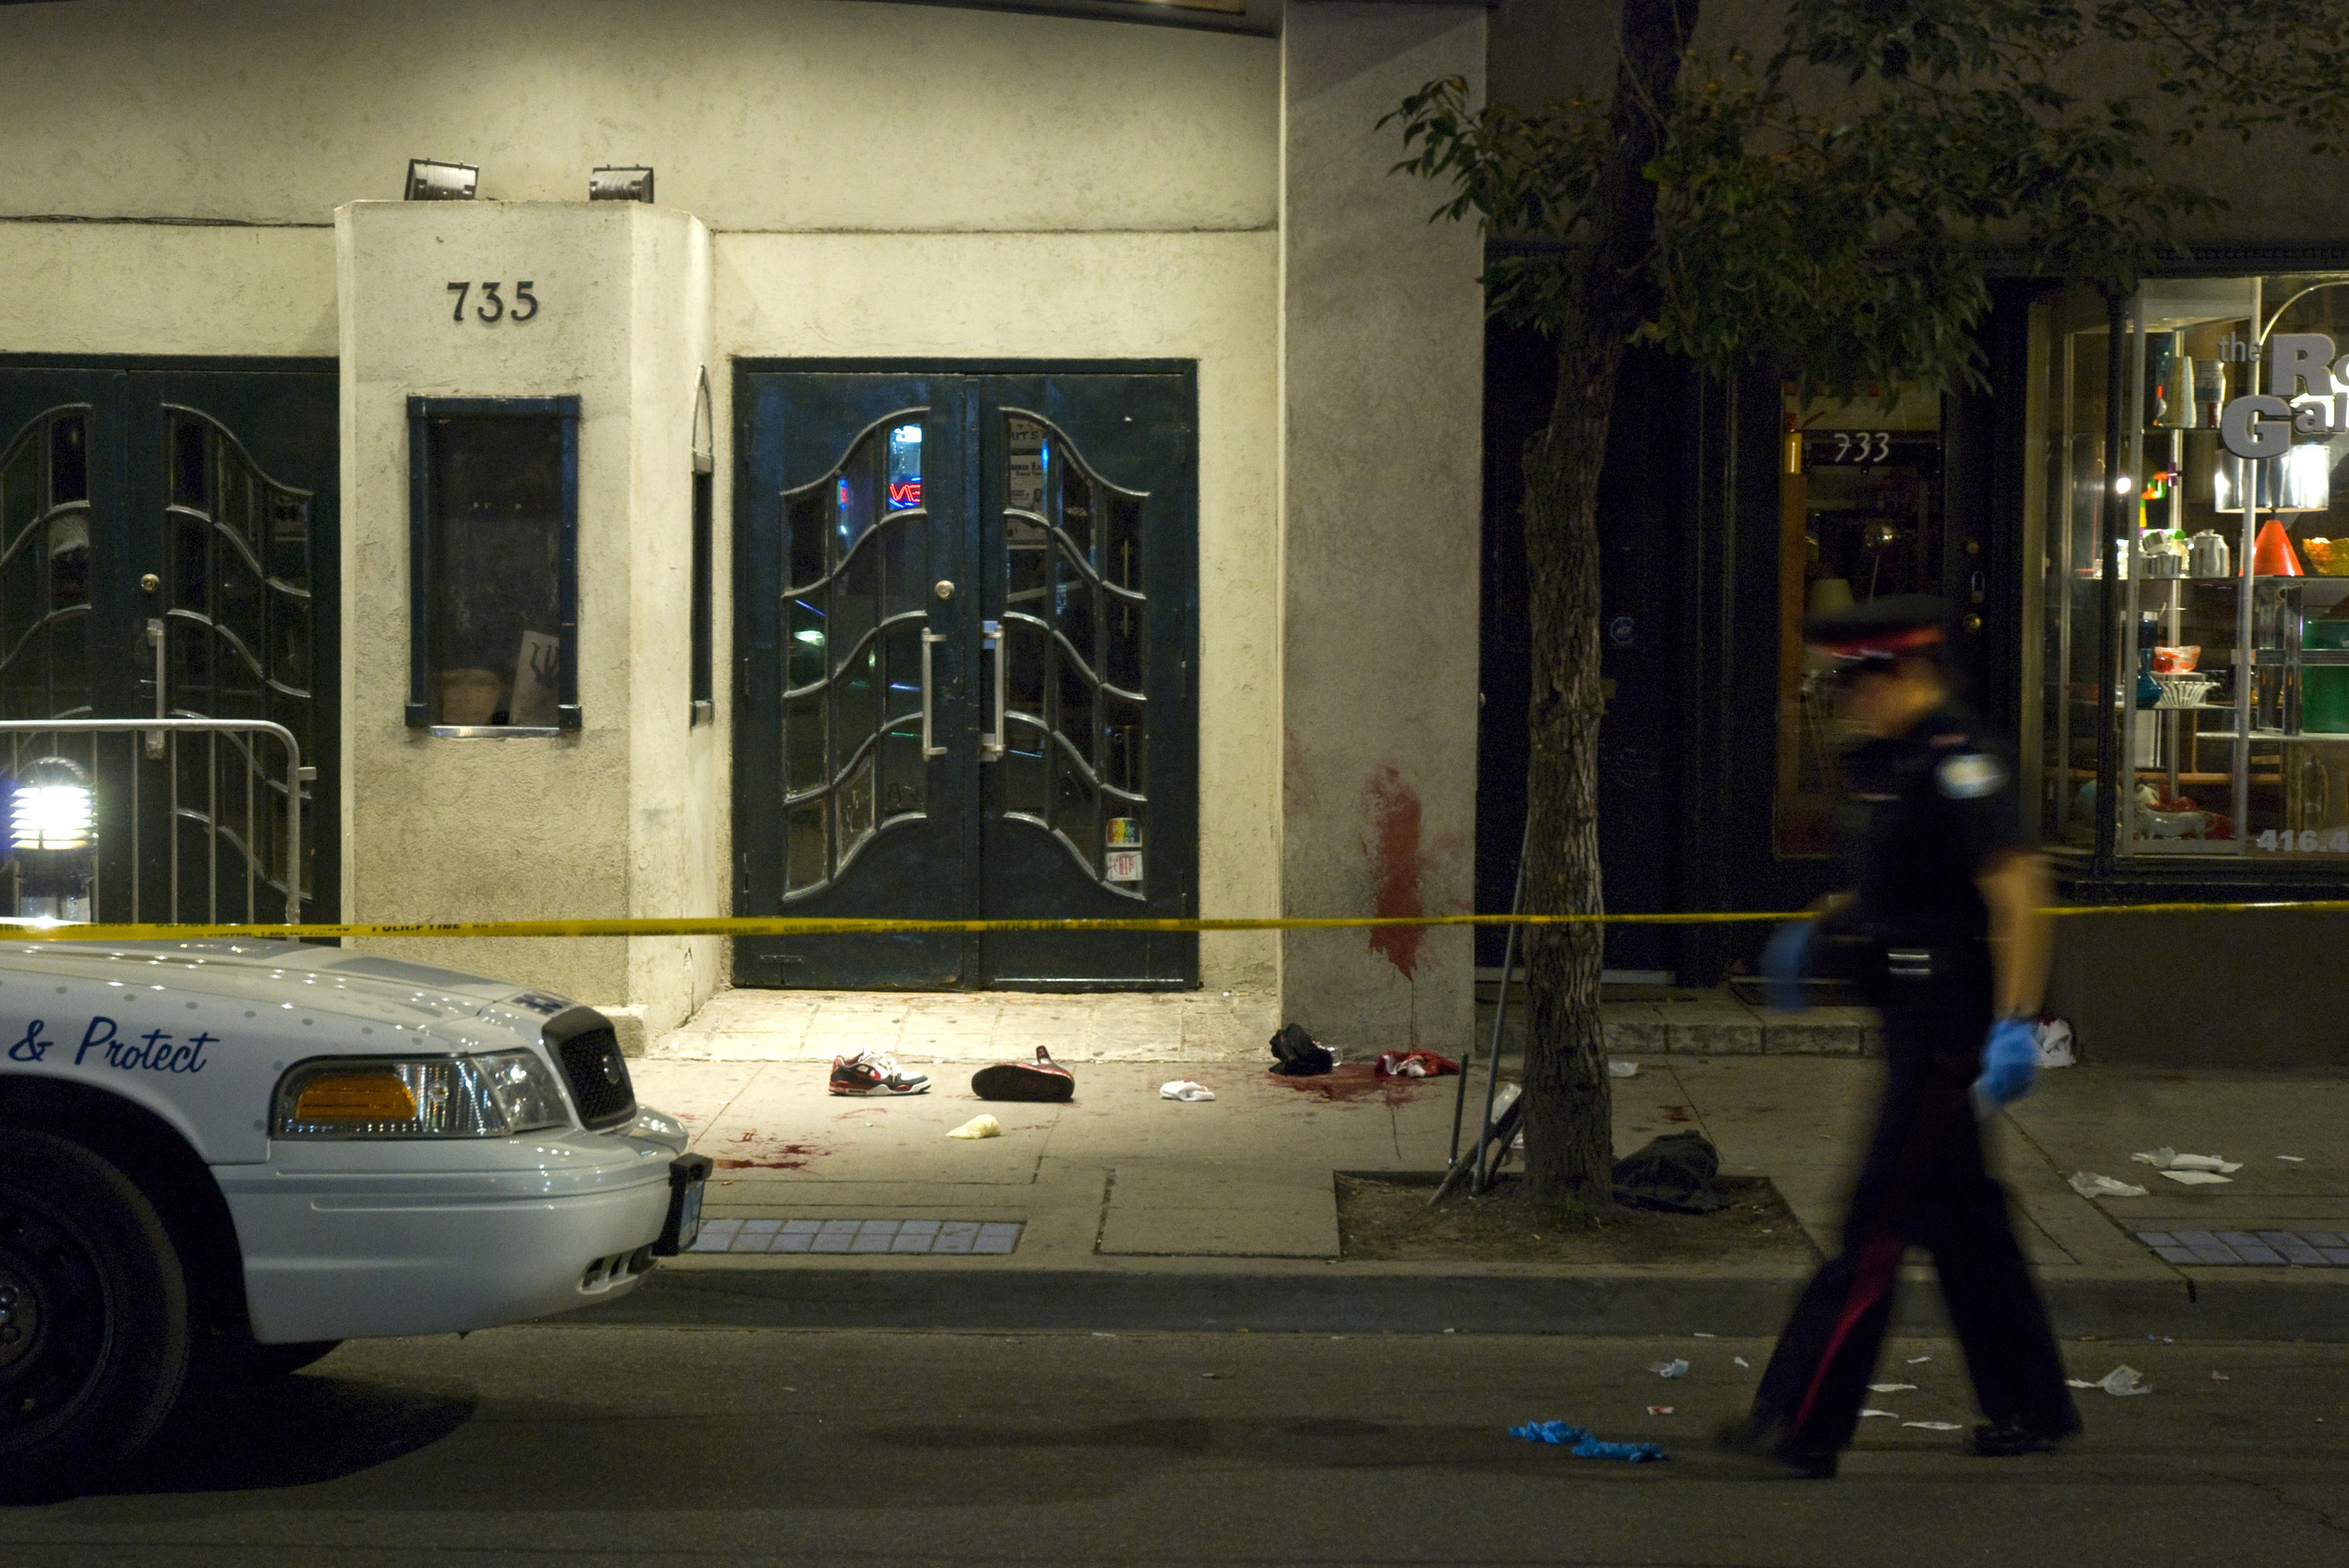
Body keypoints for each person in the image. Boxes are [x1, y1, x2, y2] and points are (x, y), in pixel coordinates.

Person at [1716, 595, 2078, 1479]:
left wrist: (2016, 1022)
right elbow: (1904, 880)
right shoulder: (1893, 761)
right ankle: (2030, 1403)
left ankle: (1801, 1418)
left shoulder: (1963, 759)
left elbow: (2017, 887)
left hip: (1947, 1029)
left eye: (1857, 681)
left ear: (1904, 670)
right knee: (1964, 1226)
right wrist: (1824, 922)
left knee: (1875, 1226)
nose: (1846, 699)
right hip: (1910, 1016)